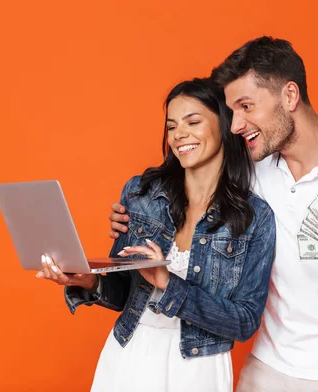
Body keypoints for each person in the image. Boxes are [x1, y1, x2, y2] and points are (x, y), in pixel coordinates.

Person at [109, 37, 318, 391]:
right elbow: (186, 193)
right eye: (232, 111)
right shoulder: (250, 171)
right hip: (266, 367)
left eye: (246, 106)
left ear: (290, 96)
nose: (236, 125)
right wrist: (130, 216)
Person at [37, 77, 276, 392]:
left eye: (193, 122)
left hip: (198, 368)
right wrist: (88, 281)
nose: (180, 135)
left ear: (225, 124)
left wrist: (168, 283)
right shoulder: (141, 194)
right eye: (172, 126)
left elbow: (244, 322)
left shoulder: (254, 217)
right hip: (128, 352)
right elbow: (123, 291)